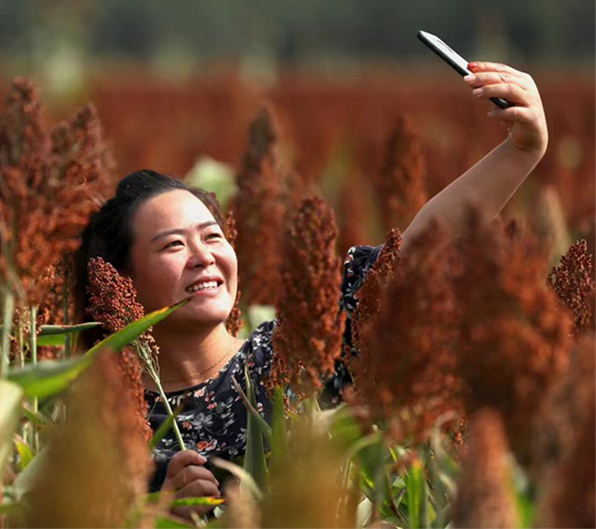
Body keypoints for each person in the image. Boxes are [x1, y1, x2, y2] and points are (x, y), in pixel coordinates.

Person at [73, 61, 548, 518]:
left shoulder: (296, 352)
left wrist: (520, 151)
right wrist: (156, 515)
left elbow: (418, 257)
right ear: (118, 283)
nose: (204, 255)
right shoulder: (109, 429)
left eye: (213, 236)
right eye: (173, 245)